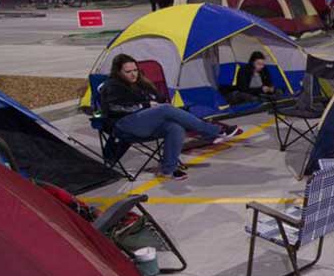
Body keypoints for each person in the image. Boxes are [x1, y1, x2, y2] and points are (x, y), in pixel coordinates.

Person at [100, 53, 241, 180]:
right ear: (118, 72)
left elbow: (159, 99)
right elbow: (114, 107)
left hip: (145, 124)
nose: (133, 74)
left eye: (135, 70)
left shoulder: (141, 83)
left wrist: (156, 102)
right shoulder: (112, 85)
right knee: (166, 109)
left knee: (175, 127)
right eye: (128, 72)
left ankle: (168, 169)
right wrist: (146, 106)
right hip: (123, 125)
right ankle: (214, 131)